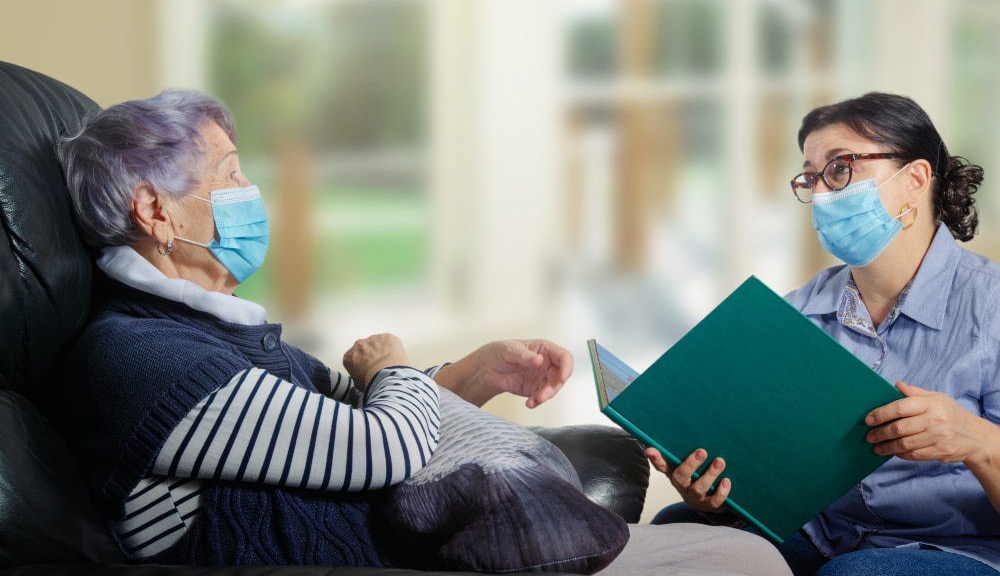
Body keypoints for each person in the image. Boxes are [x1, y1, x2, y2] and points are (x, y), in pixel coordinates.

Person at [52, 88, 791, 574]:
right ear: (156, 212)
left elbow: (345, 416)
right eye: (232, 177)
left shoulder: (208, 337)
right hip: (403, 564)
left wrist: (476, 372)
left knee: (745, 553)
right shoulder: (148, 361)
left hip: (433, 552)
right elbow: (382, 446)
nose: (252, 197)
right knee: (750, 564)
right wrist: (396, 362)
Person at [649, 92, 1000, 575]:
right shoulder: (795, 313)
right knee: (679, 528)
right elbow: (766, 463)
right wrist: (718, 498)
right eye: (812, 177)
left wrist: (978, 441)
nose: (824, 193)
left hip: (958, 546)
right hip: (824, 533)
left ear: (914, 180)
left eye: (841, 167)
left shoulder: (991, 307)